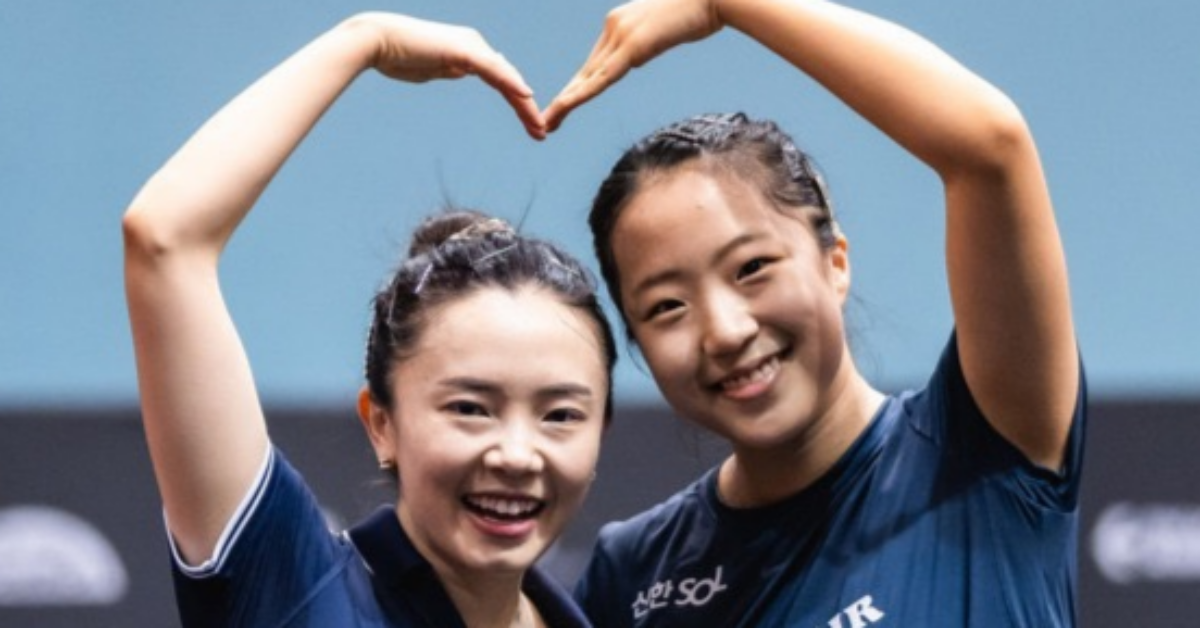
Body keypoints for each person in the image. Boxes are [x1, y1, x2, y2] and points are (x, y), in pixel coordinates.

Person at [541, 0, 1084, 625]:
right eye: (667, 306)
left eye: (752, 268)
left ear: (835, 262)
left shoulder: (980, 448)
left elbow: (990, 146)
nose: (725, 331)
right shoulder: (632, 573)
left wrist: (726, 6)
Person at [122, 12, 617, 628]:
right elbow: (165, 240)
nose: (517, 455)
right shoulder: (298, 588)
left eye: (561, 415)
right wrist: (362, 41)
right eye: (470, 407)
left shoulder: (611, 604)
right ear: (381, 423)